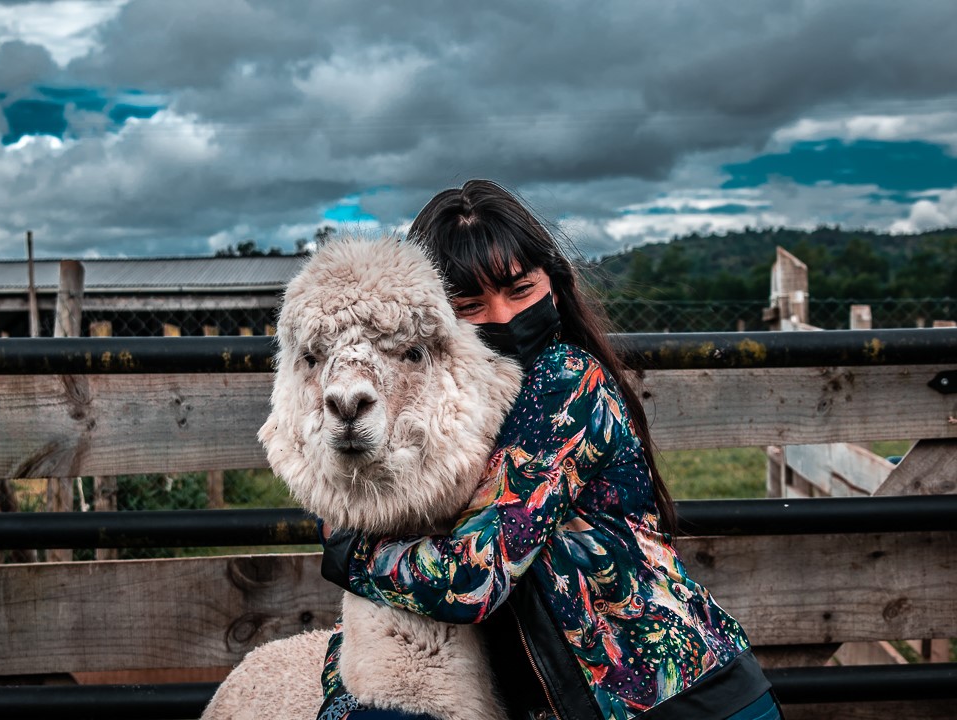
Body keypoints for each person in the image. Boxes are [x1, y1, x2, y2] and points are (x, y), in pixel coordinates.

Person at [317, 180, 782, 720]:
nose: (503, 317)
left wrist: (348, 548)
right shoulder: (443, 419)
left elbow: (472, 577)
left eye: (520, 291)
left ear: (554, 287)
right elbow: (390, 563)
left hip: (686, 703)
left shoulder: (565, 384)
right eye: (469, 304)